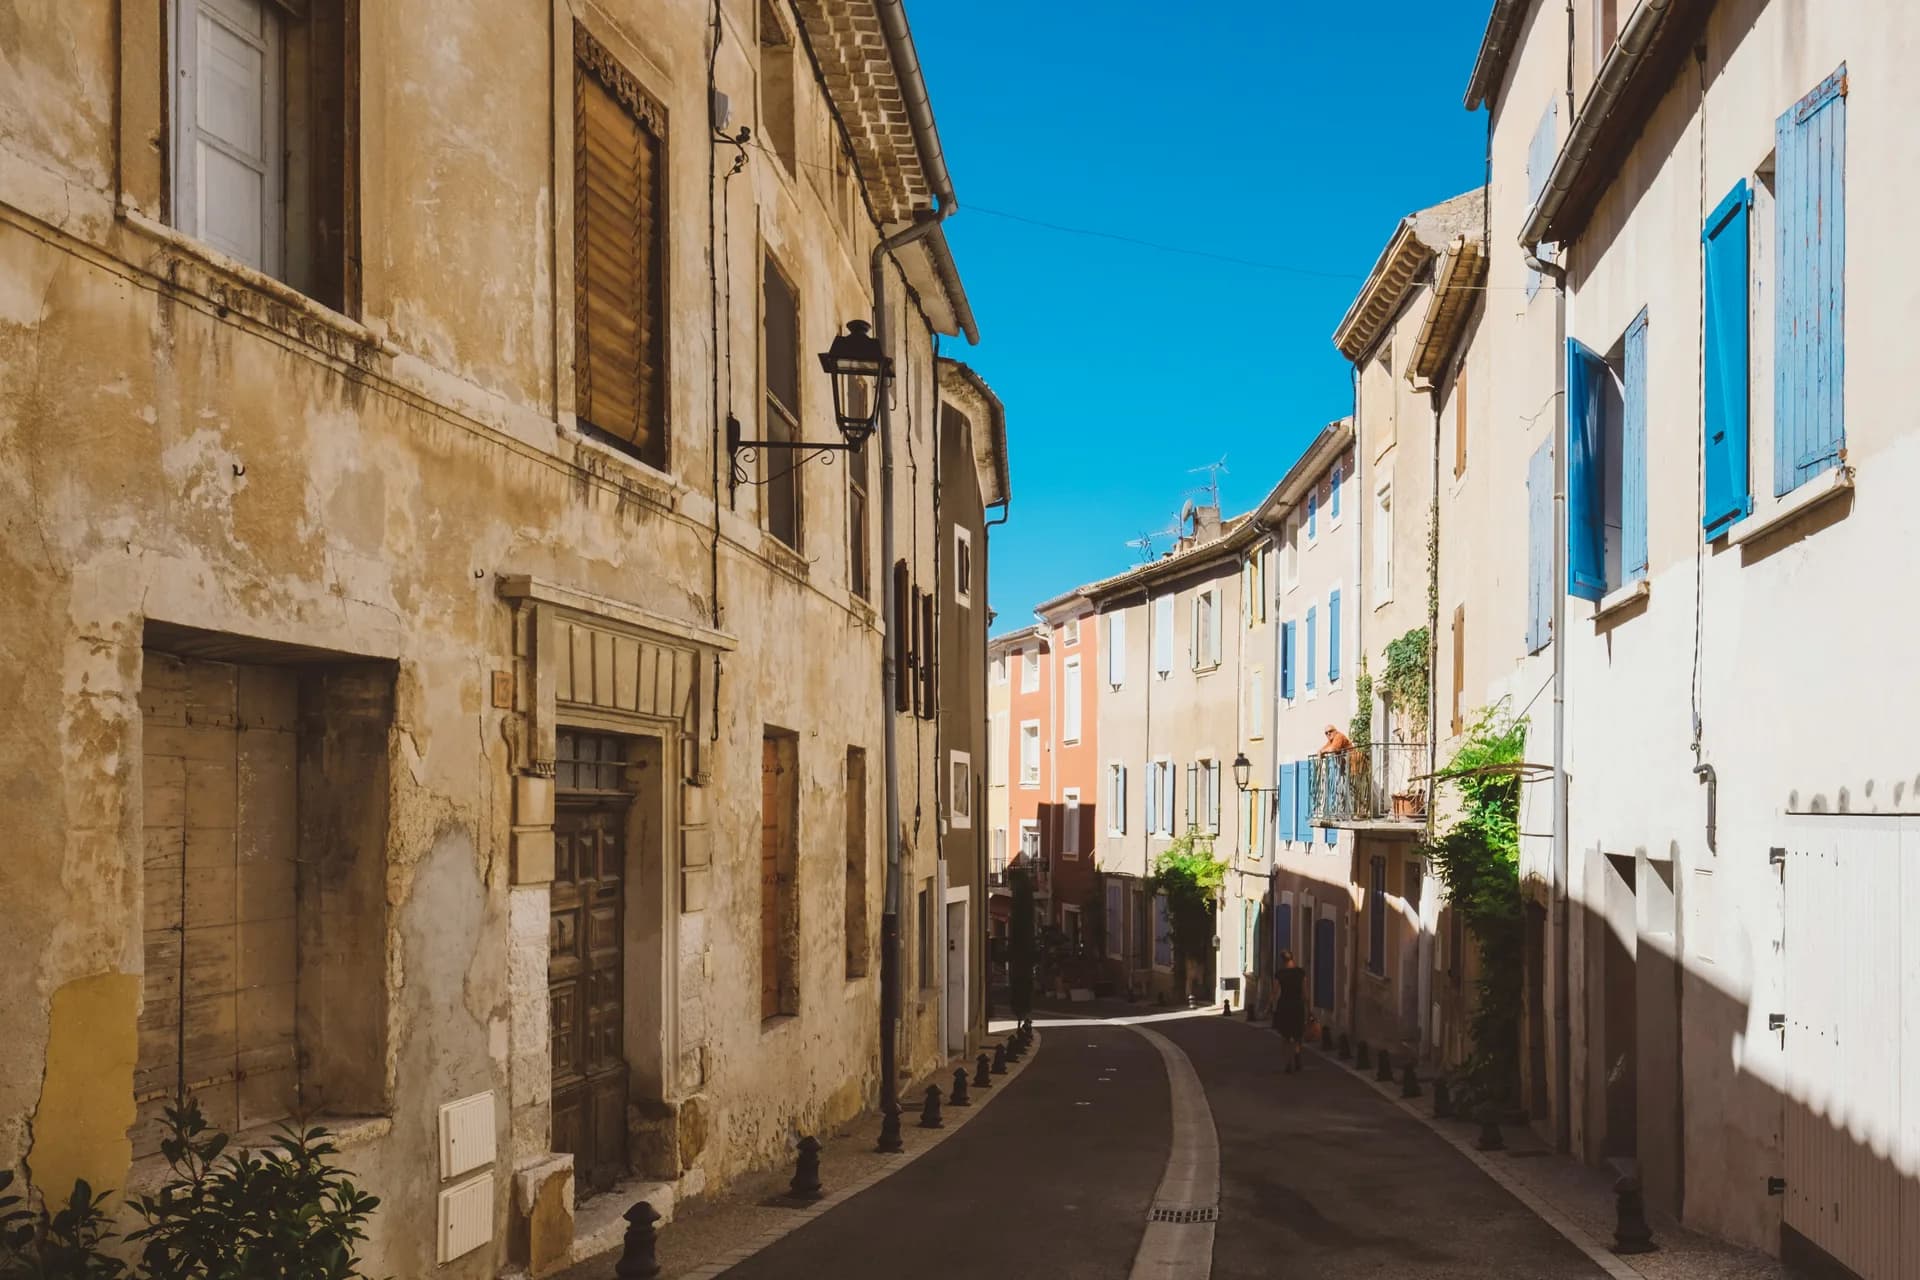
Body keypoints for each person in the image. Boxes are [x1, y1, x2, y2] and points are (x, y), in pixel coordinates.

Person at [1272, 950, 1308, 1073]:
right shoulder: (1300, 973)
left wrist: (1270, 1007)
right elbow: (1304, 992)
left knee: (1286, 1036)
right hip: (1298, 1005)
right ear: (1293, 958)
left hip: (1285, 1006)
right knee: (1298, 1034)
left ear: (1282, 961)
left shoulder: (1280, 974)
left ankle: (1288, 1063)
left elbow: (1275, 992)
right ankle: (1297, 1054)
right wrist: (1308, 1007)